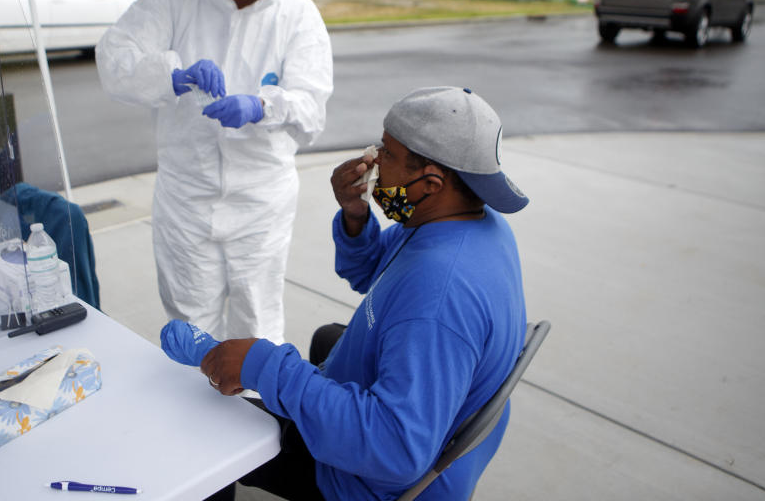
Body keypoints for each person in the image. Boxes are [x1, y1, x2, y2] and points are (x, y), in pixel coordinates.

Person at [161, 86, 530, 500]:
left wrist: (263, 365)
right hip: (435, 419)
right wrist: (356, 215)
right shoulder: (465, 223)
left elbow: (394, 450)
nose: (371, 160)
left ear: (430, 183)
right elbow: (376, 274)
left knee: (210, 426)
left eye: (386, 154)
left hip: (370, 478)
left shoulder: (439, 295)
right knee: (326, 339)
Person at [95, 0, 333, 344]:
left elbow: (312, 107)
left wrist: (262, 106)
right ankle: (195, 410)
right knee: (189, 323)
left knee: (256, 323)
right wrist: (173, 76)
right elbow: (114, 59)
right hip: (187, 194)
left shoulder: (295, 12)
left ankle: (254, 413)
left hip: (260, 200)